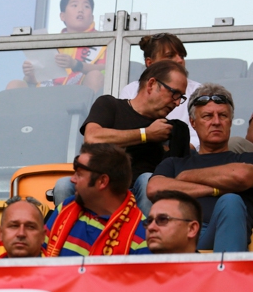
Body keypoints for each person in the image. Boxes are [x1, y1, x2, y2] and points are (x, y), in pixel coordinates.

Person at [52, 60, 191, 215]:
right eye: (174, 93)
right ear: (151, 84)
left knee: (148, 180)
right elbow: (92, 138)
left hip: (140, 194)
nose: (177, 103)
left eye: (181, 97)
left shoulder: (171, 129)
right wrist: (146, 134)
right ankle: (68, 229)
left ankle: (144, 230)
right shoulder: (110, 105)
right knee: (64, 185)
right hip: (99, 187)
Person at [148, 84, 253, 252]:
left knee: (231, 201)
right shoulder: (173, 163)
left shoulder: (246, 158)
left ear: (230, 121)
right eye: (207, 116)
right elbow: (155, 188)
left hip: (226, 232)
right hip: (182, 235)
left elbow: (242, 176)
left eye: (223, 115)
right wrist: (217, 189)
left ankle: (226, 269)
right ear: (193, 122)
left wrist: (185, 177)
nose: (216, 122)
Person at [44, 143, 149, 257]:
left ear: (102, 181)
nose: (72, 179)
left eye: (79, 174)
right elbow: (38, 257)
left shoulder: (142, 238)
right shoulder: (65, 207)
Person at [11, 0, 106, 92]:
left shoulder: (104, 41)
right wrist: (29, 74)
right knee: (14, 85)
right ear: (62, 16)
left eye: (86, 6)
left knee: (95, 76)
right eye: (74, 5)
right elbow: (38, 81)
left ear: (92, 17)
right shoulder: (51, 45)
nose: (80, 9)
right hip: (50, 96)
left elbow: (107, 70)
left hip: (80, 95)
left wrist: (76, 65)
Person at [118, 33, 200, 148]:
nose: (179, 60)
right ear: (150, 63)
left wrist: (172, 152)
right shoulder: (131, 90)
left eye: (182, 56)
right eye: (170, 56)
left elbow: (200, 137)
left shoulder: (198, 91)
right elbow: (121, 132)